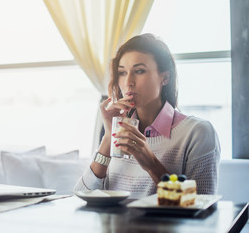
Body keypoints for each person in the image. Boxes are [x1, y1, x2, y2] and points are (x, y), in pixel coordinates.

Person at [74, 33, 220, 198]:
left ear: (164, 77)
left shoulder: (198, 133)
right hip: (115, 224)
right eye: (122, 72)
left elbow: (200, 206)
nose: (128, 81)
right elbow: (80, 196)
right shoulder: (118, 133)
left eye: (139, 71)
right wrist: (108, 137)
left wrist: (151, 164)